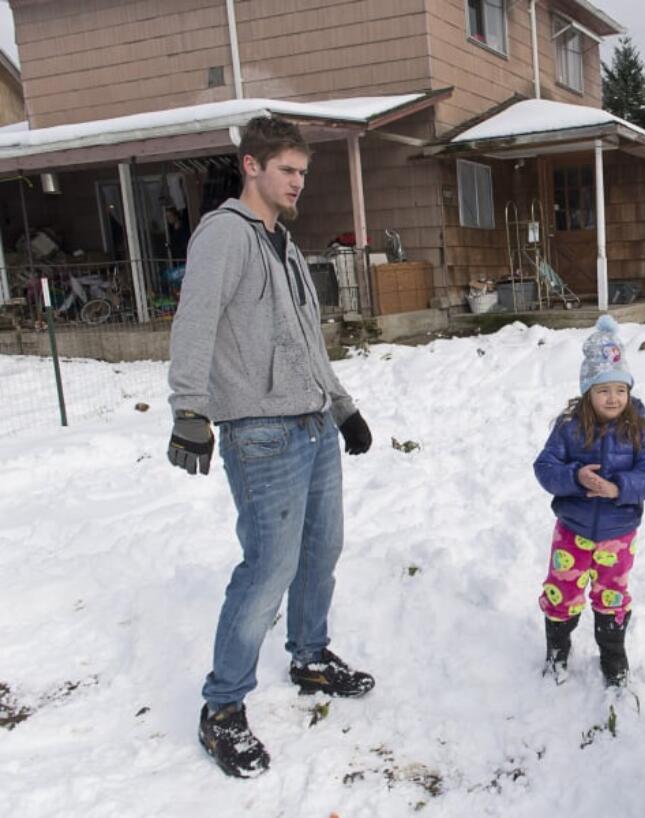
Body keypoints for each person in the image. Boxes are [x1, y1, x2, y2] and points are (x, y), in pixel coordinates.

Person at [166, 115, 375, 779]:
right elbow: (193, 322)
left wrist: (342, 407)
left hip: (312, 424)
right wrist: (190, 409)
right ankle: (222, 708)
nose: (298, 184)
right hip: (260, 432)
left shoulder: (281, 244)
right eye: (287, 170)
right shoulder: (224, 236)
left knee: (323, 549)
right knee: (266, 571)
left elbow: (308, 340)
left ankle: (310, 655)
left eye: (303, 173)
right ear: (251, 165)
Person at [533, 315, 645, 687]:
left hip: (618, 533)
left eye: (620, 390)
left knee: (612, 595)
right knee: (562, 592)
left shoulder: (640, 430)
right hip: (572, 532)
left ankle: (613, 655)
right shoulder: (569, 428)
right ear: (588, 392)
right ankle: (557, 649)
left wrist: (619, 487)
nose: (613, 398)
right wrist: (575, 477)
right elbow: (544, 468)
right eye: (603, 390)